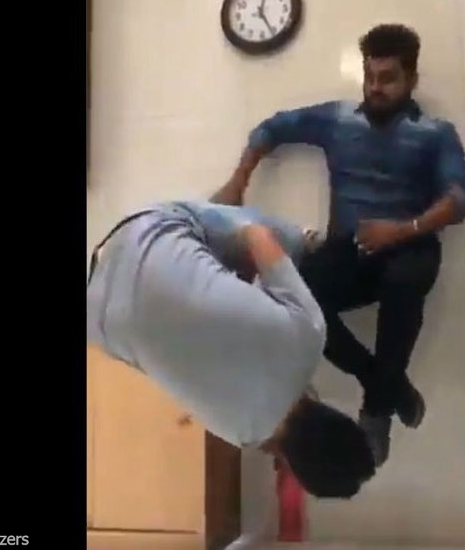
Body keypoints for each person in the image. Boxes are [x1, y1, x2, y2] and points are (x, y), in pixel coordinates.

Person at [212, 23, 465, 466]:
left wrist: (401, 229)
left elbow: (460, 199)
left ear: (411, 79)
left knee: (405, 279)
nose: (375, 88)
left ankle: (376, 413)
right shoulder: (337, 119)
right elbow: (270, 128)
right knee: (296, 295)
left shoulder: (435, 133)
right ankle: (387, 385)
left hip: (410, 246)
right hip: (350, 249)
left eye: (387, 78)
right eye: (369, 77)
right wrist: (238, 182)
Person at [86, 199, 376, 499]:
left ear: (339, 418)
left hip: (143, 235)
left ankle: (305, 238)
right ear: (296, 466)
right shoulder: (239, 434)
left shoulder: (310, 334)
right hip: (99, 312)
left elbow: (257, 235)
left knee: (284, 240)